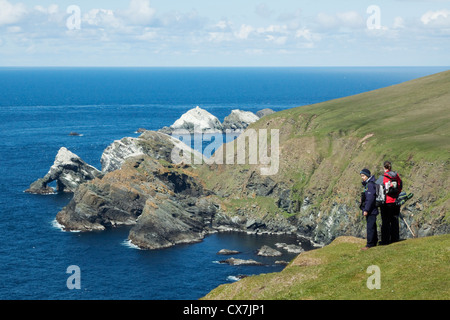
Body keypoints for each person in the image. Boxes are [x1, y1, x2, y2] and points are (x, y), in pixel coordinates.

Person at [380, 161, 402, 244]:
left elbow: (382, 189)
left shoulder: (384, 177)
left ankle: (385, 240)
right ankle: (395, 238)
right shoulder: (397, 176)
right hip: (396, 201)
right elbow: (400, 186)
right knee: (394, 220)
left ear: (384, 167)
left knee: (385, 221)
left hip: (387, 202)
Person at [359, 168, 379, 250]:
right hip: (372, 209)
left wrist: (366, 209)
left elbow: (370, 199)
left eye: (363, 176)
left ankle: (370, 244)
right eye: (361, 176)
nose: (362, 177)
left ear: (367, 176)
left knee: (370, 227)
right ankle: (374, 241)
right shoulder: (369, 184)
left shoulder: (370, 185)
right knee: (372, 225)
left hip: (371, 210)